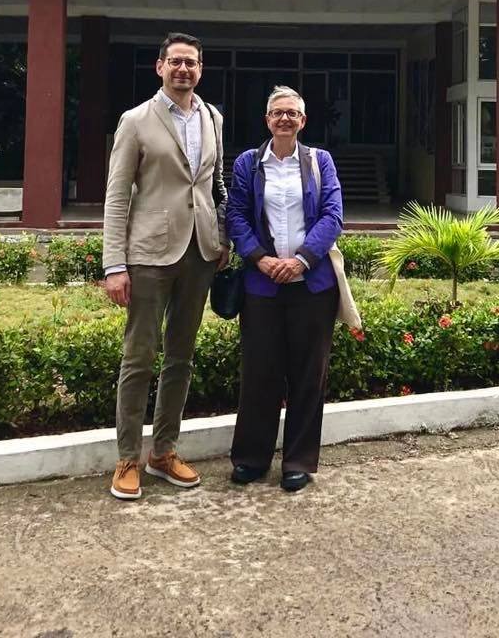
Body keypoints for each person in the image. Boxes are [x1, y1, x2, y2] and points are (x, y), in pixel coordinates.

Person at [102, 32, 229, 501]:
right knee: (138, 358)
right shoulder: (135, 121)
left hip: (200, 253)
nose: (183, 70)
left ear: (201, 68)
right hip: (149, 254)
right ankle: (127, 458)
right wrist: (115, 263)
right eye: (175, 61)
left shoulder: (213, 117)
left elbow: (216, 185)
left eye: (191, 63)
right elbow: (117, 197)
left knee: (181, 357)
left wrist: (223, 239)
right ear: (160, 67)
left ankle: (164, 451)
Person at [226, 85, 343, 492]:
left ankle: (298, 461)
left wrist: (302, 259)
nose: (285, 119)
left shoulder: (319, 162)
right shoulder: (248, 163)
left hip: (312, 285)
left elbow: (332, 215)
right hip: (263, 285)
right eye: (278, 112)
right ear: (267, 119)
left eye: (292, 113)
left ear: (303, 120)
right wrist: (261, 258)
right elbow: (236, 216)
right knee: (260, 372)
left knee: (309, 374)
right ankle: (251, 458)